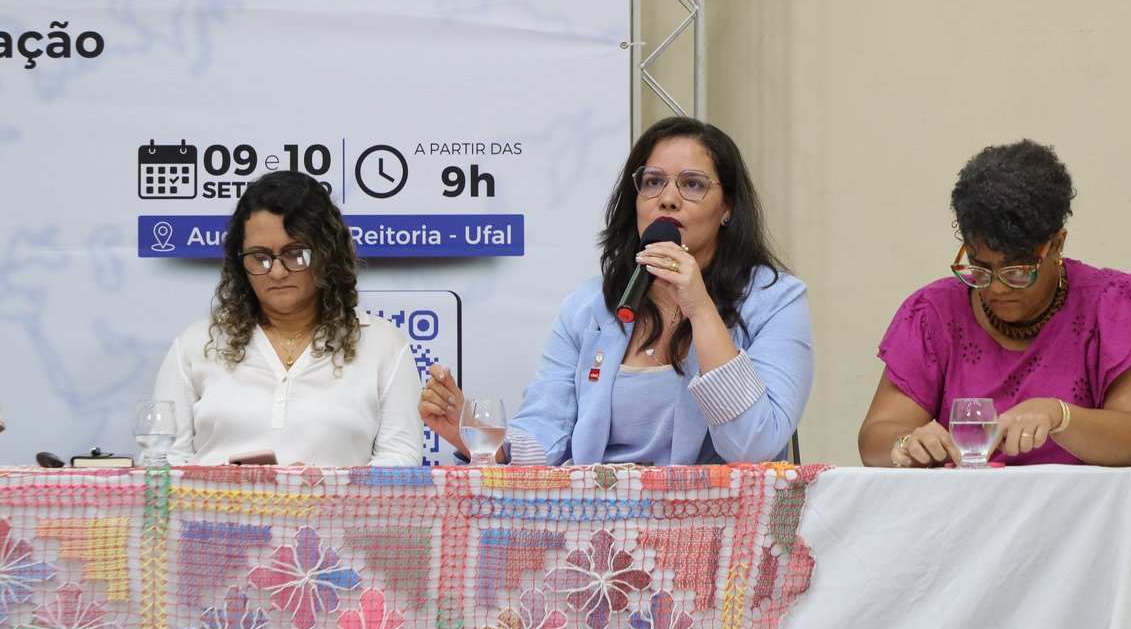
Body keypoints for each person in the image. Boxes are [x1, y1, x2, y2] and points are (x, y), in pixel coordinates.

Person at [421, 116, 814, 465]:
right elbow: (546, 430)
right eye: (653, 182)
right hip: (597, 515)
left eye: (692, 184)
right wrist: (474, 436)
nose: (668, 199)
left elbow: (755, 447)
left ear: (727, 207)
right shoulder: (590, 305)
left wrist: (700, 308)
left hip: (714, 519)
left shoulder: (775, 300)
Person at [859, 140, 1131, 468]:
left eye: (1017, 271)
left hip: (1082, 503)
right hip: (964, 503)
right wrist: (905, 444)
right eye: (980, 269)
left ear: (1057, 245)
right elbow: (875, 437)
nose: (997, 288)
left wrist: (1059, 416)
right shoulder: (934, 313)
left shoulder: (1113, 306)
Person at [153, 171, 424, 466]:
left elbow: (401, 458)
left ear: (326, 254)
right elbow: (163, 461)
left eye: (295, 254)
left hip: (336, 499)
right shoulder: (197, 343)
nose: (277, 272)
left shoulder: (382, 344)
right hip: (210, 499)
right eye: (260, 257)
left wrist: (319, 485)